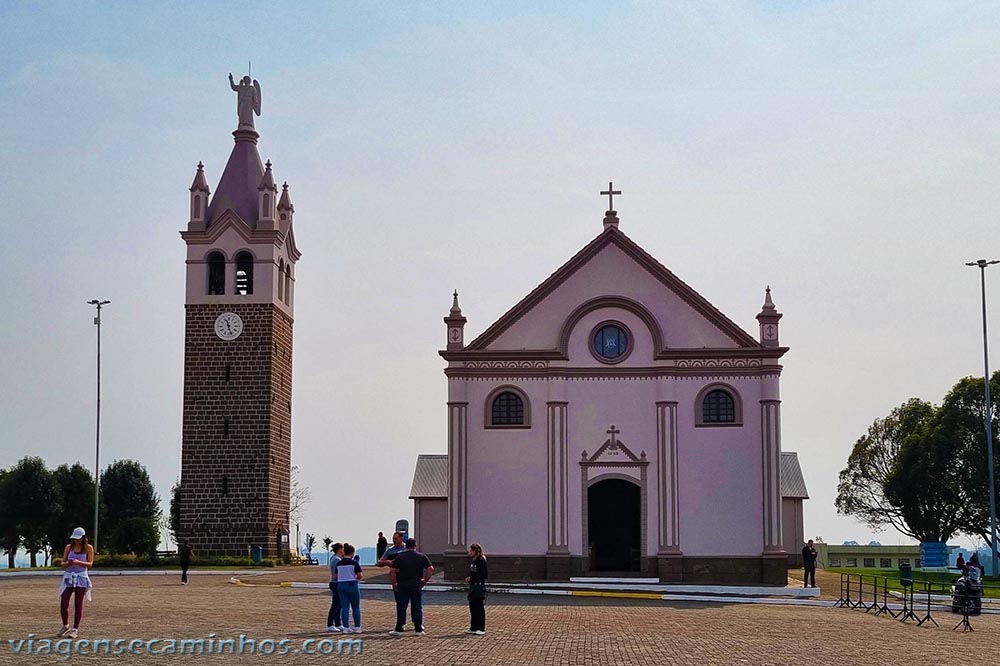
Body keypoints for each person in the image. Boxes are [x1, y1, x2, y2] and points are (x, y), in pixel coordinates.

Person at [388, 538, 433, 637]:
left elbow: (392, 571)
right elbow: (430, 569)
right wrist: (425, 580)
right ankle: (418, 629)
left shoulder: (400, 557)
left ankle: (399, 628)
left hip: (403, 585)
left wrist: (395, 583)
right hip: (416, 584)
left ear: (406, 546)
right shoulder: (421, 556)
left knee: (401, 607)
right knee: (417, 606)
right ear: (415, 546)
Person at [57, 527, 94, 638]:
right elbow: (62, 564)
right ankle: (65, 625)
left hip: (81, 577)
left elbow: (90, 564)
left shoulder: (88, 548)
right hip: (69, 577)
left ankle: (75, 629)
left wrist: (79, 562)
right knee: (64, 603)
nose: (76, 541)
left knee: (78, 605)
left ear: (83, 538)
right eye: (75, 539)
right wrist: (69, 563)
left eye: (78, 539)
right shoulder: (69, 547)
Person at [336, 543, 363, 633]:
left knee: (344, 607)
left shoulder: (339, 563)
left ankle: (346, 627)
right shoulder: (354, 563)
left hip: (341, 585)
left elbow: (336, 575)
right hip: (352, 584)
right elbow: (359, 575)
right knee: (355, 607)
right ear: (352, 553)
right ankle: (357, 627)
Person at [465, 543, 488, 635]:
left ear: (476, 551)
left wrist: (473, 578)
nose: (470, 552)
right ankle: (473, 627)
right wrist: (469, 577)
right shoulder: (473, 561)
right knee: (472, 607)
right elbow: (473, 572)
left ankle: (481, 628)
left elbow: (483, 575)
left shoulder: (481, 560)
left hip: (478, 586)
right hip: (473, 586)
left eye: (471, 551)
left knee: (479, 607)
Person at [326, 542, 344, 633]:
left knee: (339, 604)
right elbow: (336, 573)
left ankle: (338, 623)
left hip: (335, 582)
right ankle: (330, 624)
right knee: (336, 604)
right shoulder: (337, 559)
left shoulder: (335, 558)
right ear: (340, 549)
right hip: (336, 582)